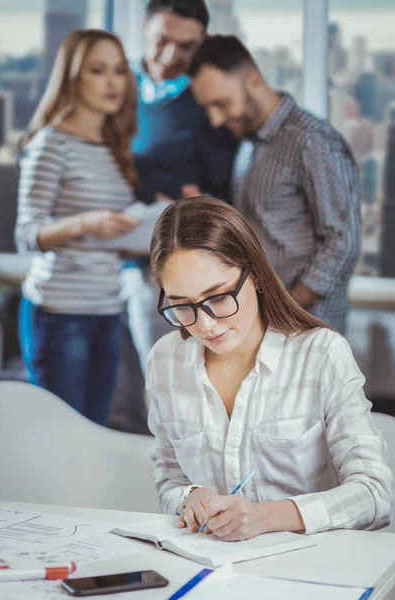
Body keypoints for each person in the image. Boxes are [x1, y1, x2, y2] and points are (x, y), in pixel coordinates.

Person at [146, 196, 392, 540]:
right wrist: (190, 497)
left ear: (257, 275)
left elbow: (376, 493)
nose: (204, 325)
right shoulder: (163, 361)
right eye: (181, 305)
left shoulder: (320, 354)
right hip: (214, 570)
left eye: (217, 298)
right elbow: (170, 478)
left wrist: (267, 517)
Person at [109, 0, 237, 433]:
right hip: (95, 271)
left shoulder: (204, 103)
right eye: (161, 40)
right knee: (115, 403)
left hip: (162, 280)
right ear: (144, 26)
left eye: (186, 47)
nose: (169, 57)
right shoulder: (113, 83)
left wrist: (193, 205)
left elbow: (228, 196)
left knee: (165, 402)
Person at [187, 35, 361, 334]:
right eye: (208, 108)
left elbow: (342, 242)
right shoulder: (247, 145)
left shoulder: (311, 140)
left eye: (222, 103)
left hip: (308, 329)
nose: (215, 120)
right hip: (265, 326)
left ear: (253, 80)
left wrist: (285, 309)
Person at [15, 29, 140, 425]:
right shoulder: (52, 144)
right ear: (73, 77)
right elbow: (27, 233)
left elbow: (111, 236)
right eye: (97, 70)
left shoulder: (114, 146)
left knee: (95, 435)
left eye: (119, 71)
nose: (111, 82)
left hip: (106, 309)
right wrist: (86, 224)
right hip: (60, 314)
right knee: (61, 437)